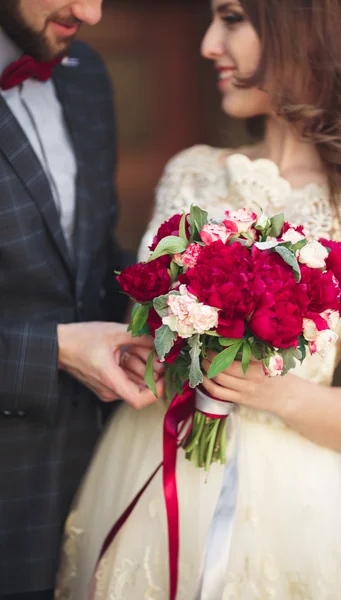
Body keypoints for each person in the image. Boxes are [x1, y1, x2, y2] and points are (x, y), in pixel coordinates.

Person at [56, 0, 341, 598]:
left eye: (233, 18)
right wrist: (144, 354)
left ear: (310, 26)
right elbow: (146, 325)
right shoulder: (190, 172)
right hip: (146, 460)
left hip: (289, 508)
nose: (209, 43)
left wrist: (273, 390)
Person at [0, 1, 162, 599]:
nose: (91, 12)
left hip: (96, 490)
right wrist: (52, 352)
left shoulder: (86, 71)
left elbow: (89, 260)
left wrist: (182, 311)